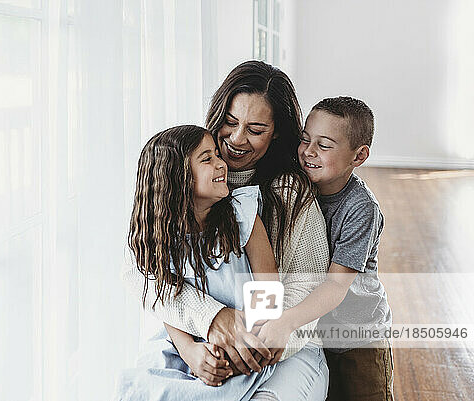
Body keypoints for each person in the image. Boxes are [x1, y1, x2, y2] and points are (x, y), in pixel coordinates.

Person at [122, 60, 330, 400]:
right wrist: (206, 327)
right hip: (196, 341)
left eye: (256, 130)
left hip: (279, 348)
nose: (235, 139)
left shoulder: (276, 197)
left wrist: (251, 344)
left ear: (277, 132)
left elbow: (300, 289)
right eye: (230, 122)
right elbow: (145, 274)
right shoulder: (181, 172)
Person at [116, 124, 281, 400]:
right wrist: (190, 352)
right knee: (139, 385)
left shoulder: (242, 214)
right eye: (207, 159)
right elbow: (168, 303)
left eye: (217, 155)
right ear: (178, 179)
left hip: (239, 343)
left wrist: (246, 340)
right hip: (185, 344)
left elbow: (269, 286)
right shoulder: (161, 238)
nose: (221, 164)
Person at [286, 96, 393, 400]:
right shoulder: (297, 188)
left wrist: (287, 322)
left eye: (324, 145)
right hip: (317, 335)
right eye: (305, 139)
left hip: (358, 340)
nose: (309, 151)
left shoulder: (361, 208)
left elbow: (336, 285)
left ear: (358, 157)